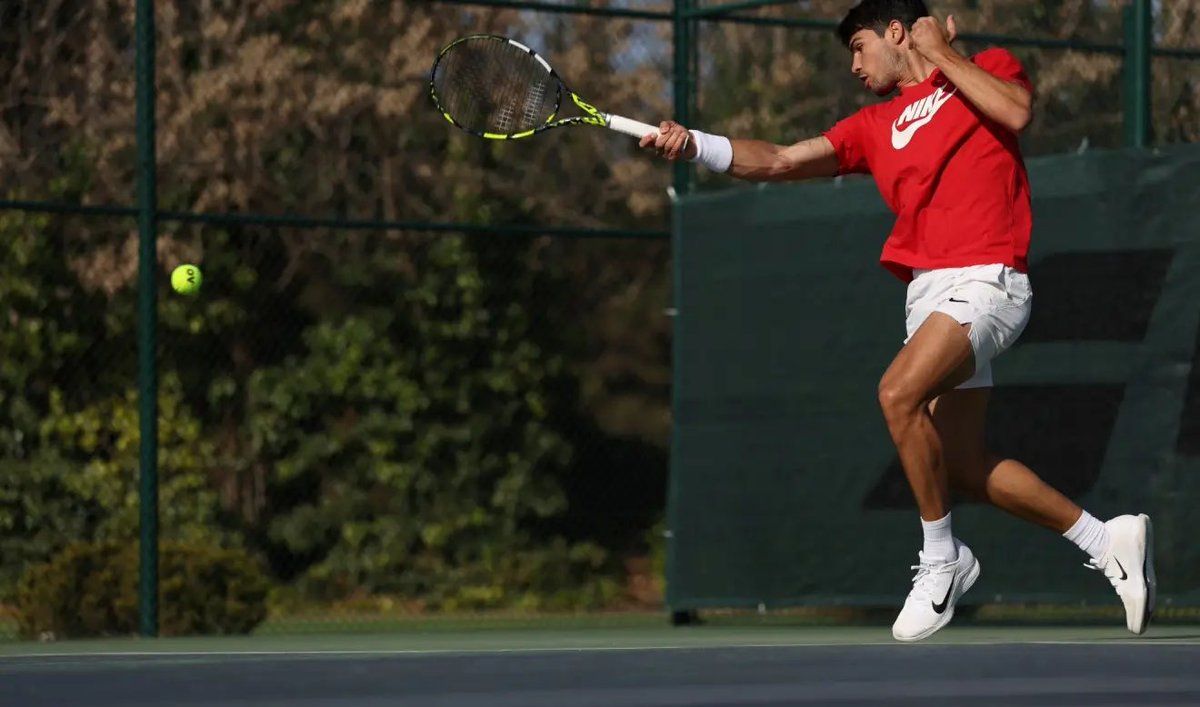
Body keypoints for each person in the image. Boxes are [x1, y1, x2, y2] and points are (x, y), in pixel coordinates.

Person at [641, 0, 1155, 641]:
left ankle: (944, 561)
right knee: (963, 464)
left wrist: (939, 53)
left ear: (896, 32)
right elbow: (774, 159)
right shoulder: (872, 125)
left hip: (988, 280)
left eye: (859, 46)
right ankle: (1107, 540)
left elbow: (1018, 112)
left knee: (896, 392)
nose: (854, 64)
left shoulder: (984, 68)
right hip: (927, 295)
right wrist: (693, 144)